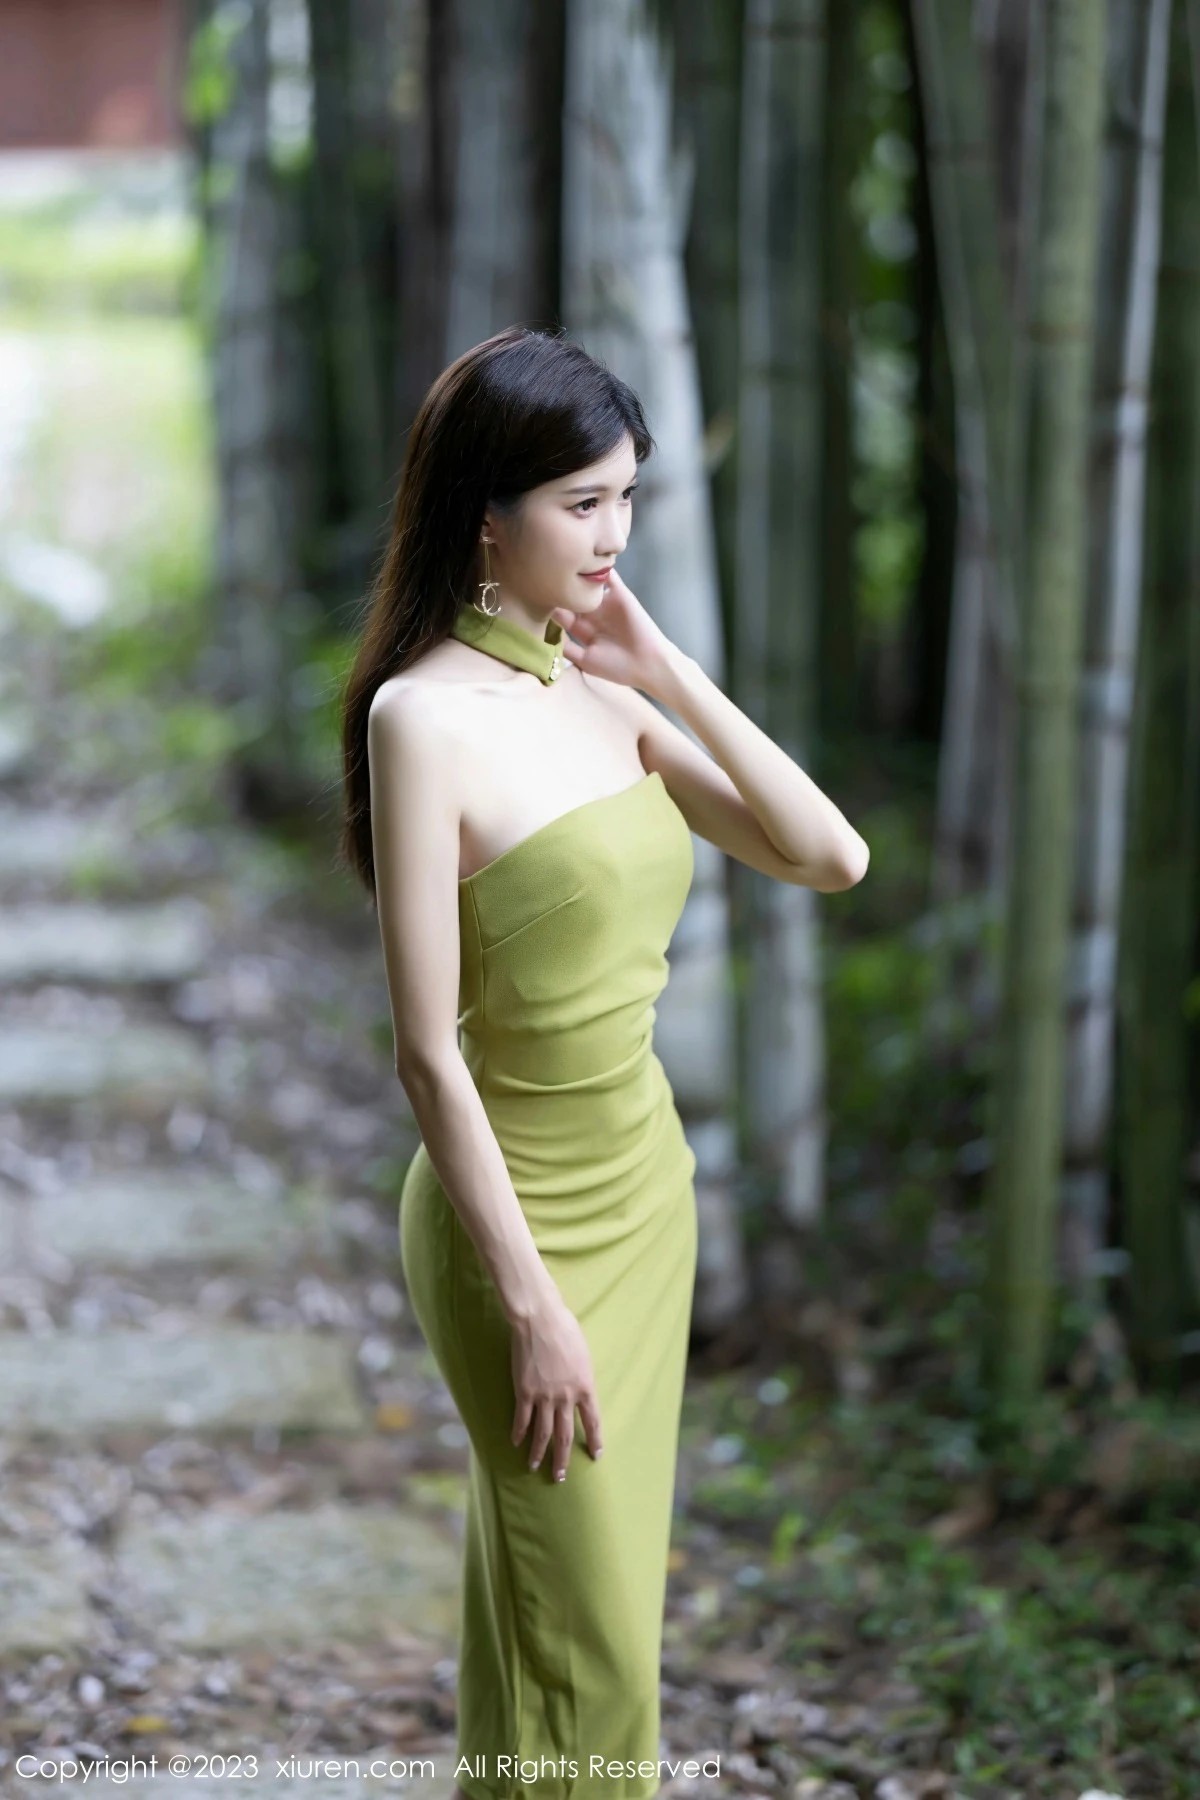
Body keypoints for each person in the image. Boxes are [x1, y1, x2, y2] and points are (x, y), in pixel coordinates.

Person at [338, 325, 869, 1800]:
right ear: (484, 516)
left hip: (645, 1200)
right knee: (592, 1657)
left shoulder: (610, 697)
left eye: (626, 496)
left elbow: (830, 855)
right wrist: (531, 1307)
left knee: (567, 1624)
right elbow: (427, 1057)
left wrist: (668, 669)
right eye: (582, 503)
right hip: (515, 1230)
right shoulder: (420, 719)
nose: (613, 534)